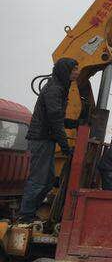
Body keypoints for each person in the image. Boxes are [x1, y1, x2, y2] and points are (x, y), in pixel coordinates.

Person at [18, 57, 79, 224]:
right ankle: (25, 215)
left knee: (48, 180)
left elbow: (56, 117)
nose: (77, 72)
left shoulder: (60, 87)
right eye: (74, 69)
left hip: (47, 139)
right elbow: (54, 120)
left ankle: (29, 212)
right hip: (41, 139)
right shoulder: (54, 89)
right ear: (65, 70)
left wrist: (72, 123)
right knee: (38, 180)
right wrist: (65, 146)